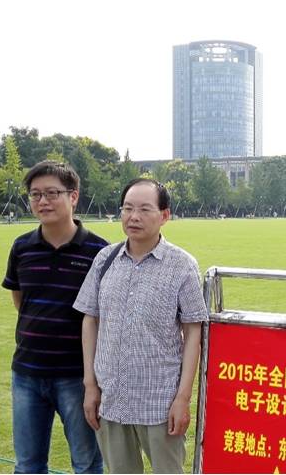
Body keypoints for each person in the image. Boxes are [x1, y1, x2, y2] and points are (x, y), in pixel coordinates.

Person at [74, 178, 208, 474]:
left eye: (145, 209)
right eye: (127, 208)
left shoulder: (182, 265)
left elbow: (193, 332)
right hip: (111, 398)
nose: (133, 217)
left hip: (159, 402)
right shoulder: (105, 259)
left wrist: (183, 399)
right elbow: (90, 319)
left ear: (164, 215)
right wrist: (90, 385)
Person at [1, 160, 107, 474]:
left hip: (77, 377)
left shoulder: (98, 252)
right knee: (28, 465)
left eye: (51, 193)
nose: (43, 201)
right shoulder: (22, 247)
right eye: (35, 195)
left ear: (73, 196)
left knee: (87, 464)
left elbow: (103, 316)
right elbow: (21, 300)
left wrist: (92, 382)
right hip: (27, 374)